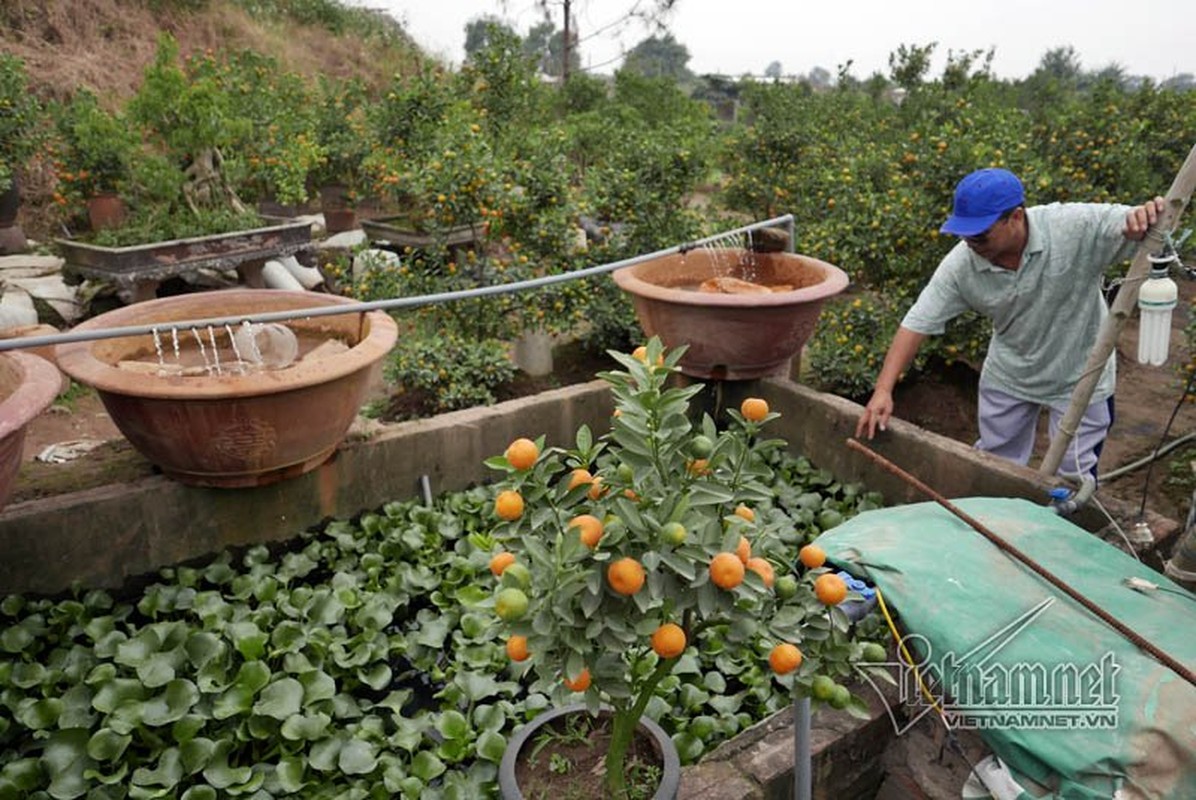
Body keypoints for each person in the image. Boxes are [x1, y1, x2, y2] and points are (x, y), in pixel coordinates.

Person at [854, 167, 1164, 478]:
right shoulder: (962, 265)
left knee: (1072, 477)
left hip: (1080, 374)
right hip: (1011, 374)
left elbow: (1135, 223)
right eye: (964, 233)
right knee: (995, 467)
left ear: (1015, 217)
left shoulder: (1071, 226)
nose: (970, 242)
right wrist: (883, 389)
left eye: (980, 234)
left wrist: (1143, 218)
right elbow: (917, 322)